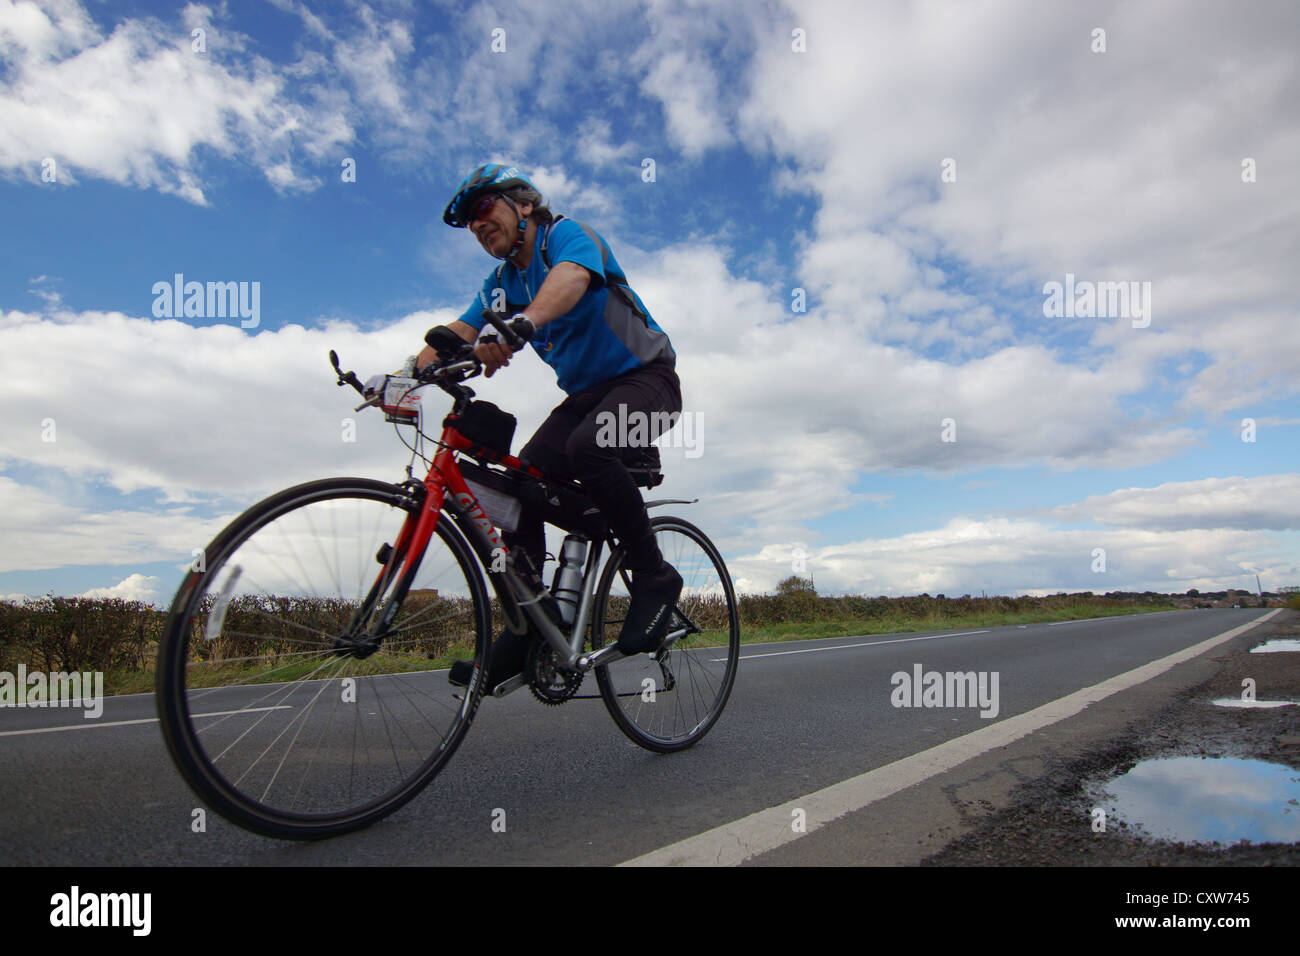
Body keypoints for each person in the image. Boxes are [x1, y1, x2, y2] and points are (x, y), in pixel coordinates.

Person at [418, 163, 683, 692]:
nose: (476, 226)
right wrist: (403, 376)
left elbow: (573, 278)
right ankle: (532, 622)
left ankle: (655, 576)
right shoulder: (500, 283)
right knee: (523, 483)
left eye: (482, 210)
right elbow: (458, 330)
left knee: (590, 447)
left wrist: (524, 323)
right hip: (586, 397)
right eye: (468, 223)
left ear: (521, 205)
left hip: (648, 380)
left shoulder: (565, 237)